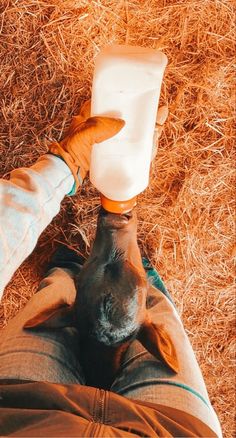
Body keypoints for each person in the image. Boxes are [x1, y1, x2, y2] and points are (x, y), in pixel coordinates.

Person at [0, 101, 222, 437]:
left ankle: (67, 267)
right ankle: (145, 279)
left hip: (22, 410)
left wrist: (64, 165)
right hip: (169, 428)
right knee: (151, 307)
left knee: (55, 292)